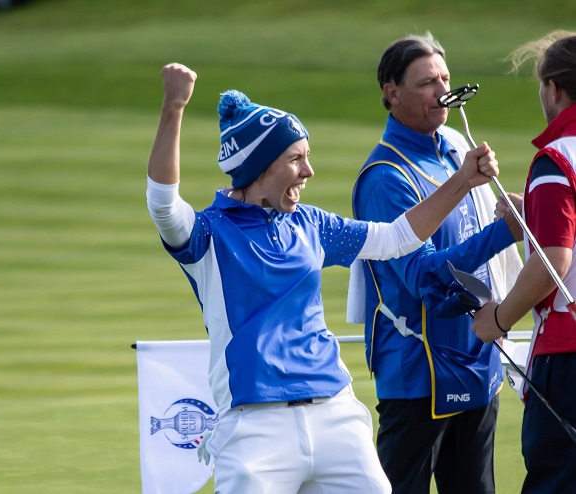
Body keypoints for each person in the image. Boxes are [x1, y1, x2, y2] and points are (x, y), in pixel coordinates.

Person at [146, 62, 500, 494]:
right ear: (260, 167)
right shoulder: (208, 235)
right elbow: (163, 204)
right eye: (296, 159)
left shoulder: (309, 223)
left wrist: (463, 180)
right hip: (255, 427)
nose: (309, 172)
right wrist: (175, 105)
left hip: (335, 413)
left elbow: (395, 237)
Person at [349, 33, 523, 494]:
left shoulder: (451, 148)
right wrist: (505, 230)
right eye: (427, 83)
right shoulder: (385, 179)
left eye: (445, 78)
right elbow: (424, 275)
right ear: (392, 92)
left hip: (477, 361)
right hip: (417, 376)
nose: (442, 90)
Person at [472, 30, 576, 494]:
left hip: (567, 351)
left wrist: (498, 317)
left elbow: (554, 258)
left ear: (553, 88)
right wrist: (535, 212)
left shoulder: (556, 159)